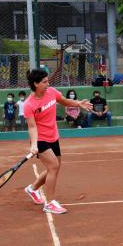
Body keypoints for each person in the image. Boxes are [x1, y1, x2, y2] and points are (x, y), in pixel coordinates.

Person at [23, 69, 92, 214]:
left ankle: (33, 188)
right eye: (44, 82)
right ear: (35, 84)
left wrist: (78, 103)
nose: (48, 83)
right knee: (53, 166)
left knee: (54, 167)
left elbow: (63, 101)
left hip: (53, 136)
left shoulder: (51, 92)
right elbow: (32, 126)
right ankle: (49, 203)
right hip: (40, 139)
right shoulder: (29, 104)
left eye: (48, 81)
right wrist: (34, 144)